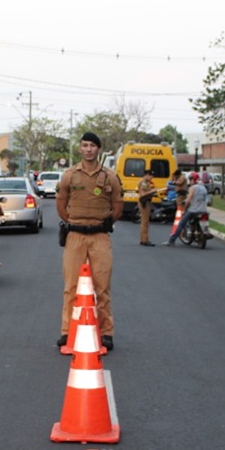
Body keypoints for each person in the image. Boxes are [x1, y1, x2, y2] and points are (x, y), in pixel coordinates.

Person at [56, 131, 123, 351]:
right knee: (71, 287)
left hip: (100, 237)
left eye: (92, 145)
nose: (88, 149)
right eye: (85, 145)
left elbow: (118, 206)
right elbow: (61, 206)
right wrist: (75, 222)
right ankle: (67, 332)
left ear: (98, 149)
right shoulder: (69, 175)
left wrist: (102, 224)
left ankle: (106, 333)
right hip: (75, 235)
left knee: (102, 287)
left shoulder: (110, 176)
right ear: (80, 148)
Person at [163, 172, 212, 245]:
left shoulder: (193, 188)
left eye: (190, 179)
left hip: (193, 210)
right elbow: (208, 201)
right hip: (203, 210)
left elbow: (188, 200)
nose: (190, 181)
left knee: (181, 224)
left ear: (193, 180)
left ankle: (171, 241)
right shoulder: (204, 188)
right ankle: (203, 232)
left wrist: (184, 209)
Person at [137, 169, 157, 246]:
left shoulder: (146, 183)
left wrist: (152, 193)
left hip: (146, 201)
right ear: (147, 175)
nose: (152, 178)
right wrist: (152, 191)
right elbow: (143, 194)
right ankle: (145, 240)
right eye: (151, 176)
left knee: (145, 221)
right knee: (145, 222)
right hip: (144, 202)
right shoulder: (143, 183)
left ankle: (143, 239)